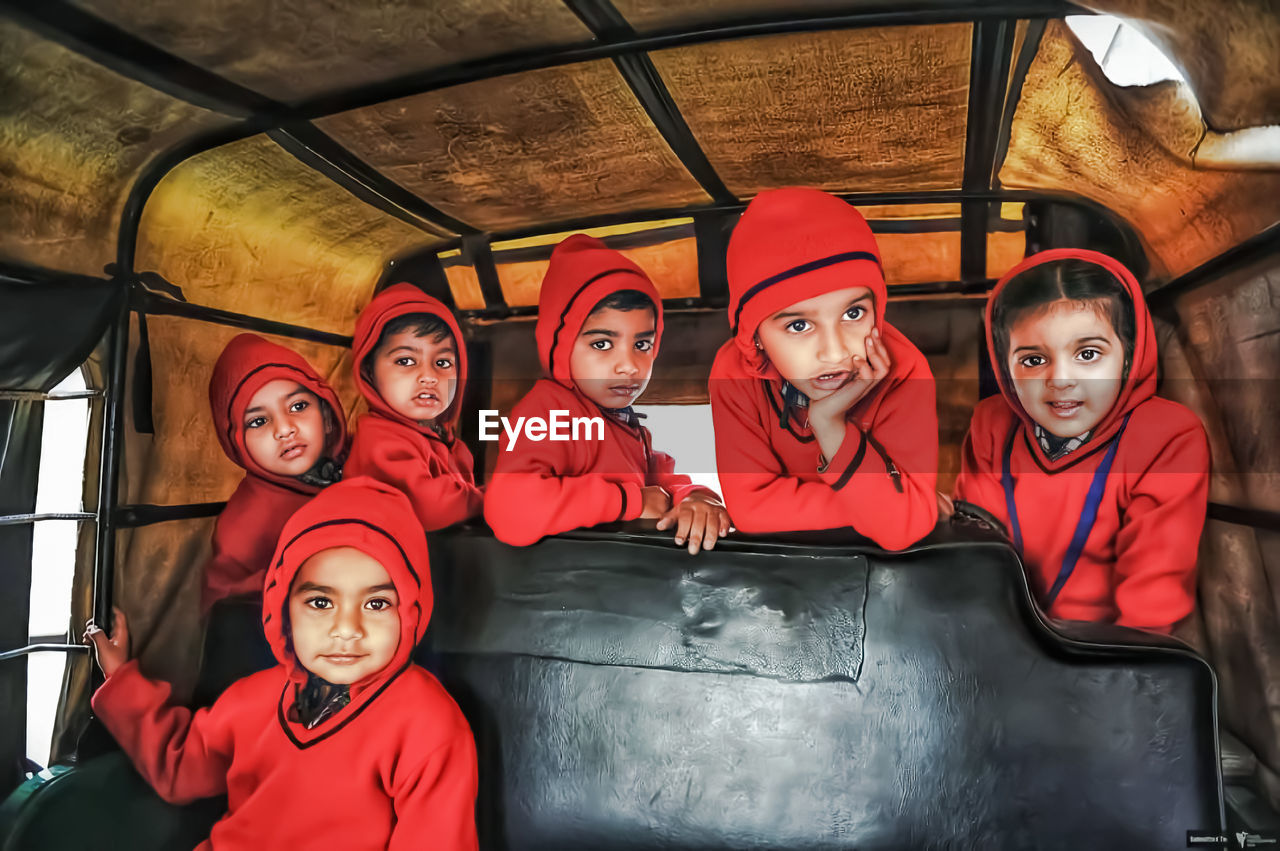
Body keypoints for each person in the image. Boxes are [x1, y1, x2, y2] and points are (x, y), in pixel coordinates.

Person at [85, 477, 480, 850]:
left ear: (410, 611)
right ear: (283, 608)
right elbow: (179, 767)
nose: (346, 630)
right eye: (321, 603)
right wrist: (121, 678)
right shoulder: (250, 700)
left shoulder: (429, 724)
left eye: (376, 604)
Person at [954, 249, 1210, 631]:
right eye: (1033, 360)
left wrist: (1120, 678)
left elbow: (1153, 597)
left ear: (1128, 357)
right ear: (1004, 368)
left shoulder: (1166, 436)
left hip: (1107, 652)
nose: (1060, 379)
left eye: (1088, 354)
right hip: (1001, 637)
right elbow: (975, 548)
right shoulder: (991, 423)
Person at [709, 187, 939, 550]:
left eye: (853, 313)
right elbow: (750, 510)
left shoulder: (905, 369)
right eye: (799, 325)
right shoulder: (733, 372)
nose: (834, 353)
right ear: (755, 338)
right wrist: (890, 505)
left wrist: (829, 426)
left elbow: (901, 531)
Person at [485, 234, 731, 553]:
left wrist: (696, 497)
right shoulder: (549, 411)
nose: (629, 366)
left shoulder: (626, 425)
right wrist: (630, 501)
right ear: (558, 346)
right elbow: (510, 511)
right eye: (602, 344)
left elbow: (662, 484)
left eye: (642, 345)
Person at [202, 334, 345, 612]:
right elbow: (225, 618)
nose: (284, 429)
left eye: (298, 406)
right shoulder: (243, 528)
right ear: (238, 445)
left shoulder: (362, 463)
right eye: (258, 421)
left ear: (326, 417)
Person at [345, 283, 483, 531]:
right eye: (406, 360)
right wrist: (494, 498)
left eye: (442, 362)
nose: (429, 376)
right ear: (369, 371)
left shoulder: (445, 441)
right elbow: (429, 508)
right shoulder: (380, 442)